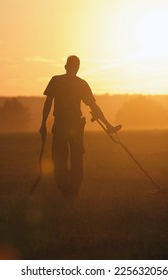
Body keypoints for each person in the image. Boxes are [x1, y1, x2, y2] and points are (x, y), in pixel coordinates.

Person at [39, 55, 117, 199]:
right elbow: (94, 106)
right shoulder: (81, 84)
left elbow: (48, 104)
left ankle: (65, 190)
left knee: (61, 158)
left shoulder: (57, 81)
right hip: (73, 125)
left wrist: (43, 124)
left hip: (63, 125)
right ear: (76, 68)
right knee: (76, 159)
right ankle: (72, 191)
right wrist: (108, 125)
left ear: (66, 66)